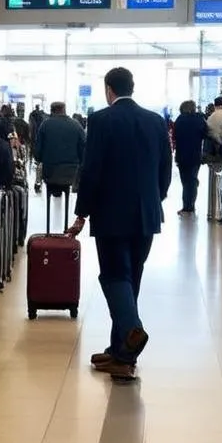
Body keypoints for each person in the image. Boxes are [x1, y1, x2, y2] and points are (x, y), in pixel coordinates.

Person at [69, 67, 172, 383]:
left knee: (115, 276)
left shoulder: (101, 120)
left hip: (111, 213)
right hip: (146, 214)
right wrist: (156, 199)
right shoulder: (155, 121)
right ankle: (120, 354)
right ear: (132, 87)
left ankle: (130, 334)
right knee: (131, 280)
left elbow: (92, 170)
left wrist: (82, 213)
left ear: (108, 89)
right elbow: (166, 168)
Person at [34, 102, 85, 194]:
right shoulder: (76, 125)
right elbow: (83, 151)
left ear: (51, 111)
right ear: (64, 110)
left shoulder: (45, 125)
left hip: (50, 173)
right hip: (71, 174)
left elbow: (37, 154)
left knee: (44, 170)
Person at [173, 100, 207, 216]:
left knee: (185, 181)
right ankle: (190, 206)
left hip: (182, 155)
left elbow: (175, 136)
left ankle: (187, 206)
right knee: (192, 180)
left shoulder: (179, 120)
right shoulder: (199, 119)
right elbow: (205, 133)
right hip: (195, 155)